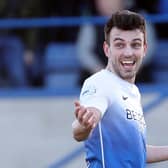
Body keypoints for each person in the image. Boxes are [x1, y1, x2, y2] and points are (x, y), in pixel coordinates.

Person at [72, 10, 168, 168]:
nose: (128, 52)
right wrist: (84, 125)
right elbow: (79, 130)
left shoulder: (133, 92)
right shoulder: (100, 83)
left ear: (144, 49)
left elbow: (136, 152)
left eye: (135, 44)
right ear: (107, 49)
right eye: (120, 45)